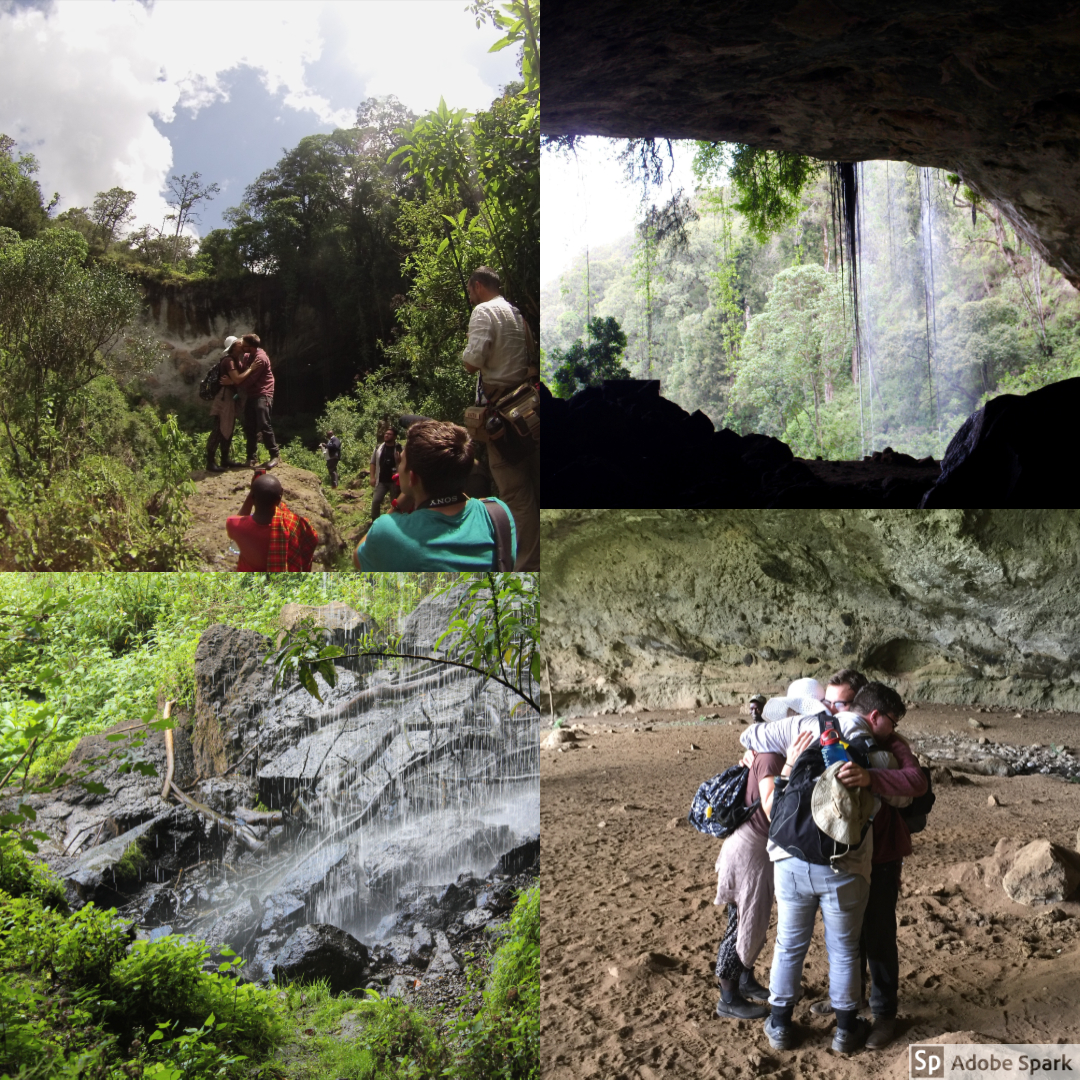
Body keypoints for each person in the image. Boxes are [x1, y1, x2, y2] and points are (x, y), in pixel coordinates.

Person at [749, 682, 924, 1054]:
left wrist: (785, 766)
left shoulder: (808, 731)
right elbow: (909, 790)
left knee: (790, 945)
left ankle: (780, 1025)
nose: (830, 707)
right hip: (844, 865)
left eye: (837, 702)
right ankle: (846, 1029)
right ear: (873, 715)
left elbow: (752, 738)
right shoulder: (879, 754)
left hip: (791, 857)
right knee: (845, 949)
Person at [712, 736, 804, 1020]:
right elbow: (770, 806)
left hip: (755, 848)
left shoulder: (768, 756)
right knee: (741, 924)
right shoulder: (771, 759)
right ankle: (728, 997)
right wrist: (788, 765)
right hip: (750, 850)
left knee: (754, 919)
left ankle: (744, 980)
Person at [354, 419, 515, 571]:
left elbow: (358, 558)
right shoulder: (498, 514)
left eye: (401, 461)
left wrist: (399, 503)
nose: (399, 466)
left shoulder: (387, 531)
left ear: (412, 478)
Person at [462, 266, 538, 571]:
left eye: (469, 292)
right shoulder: (517, 314)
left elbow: (471, 363)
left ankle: (527, 569)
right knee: (536, 484)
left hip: (503, 418)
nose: (469, 298)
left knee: (516, 494)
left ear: (479, 287)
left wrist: (465, 349)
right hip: (531, 411)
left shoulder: (483, 312)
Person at [226, 471, 318, 572]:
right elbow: (312, 538)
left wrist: (252, 491)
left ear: (253, 497)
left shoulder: (234, 526)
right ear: (279, 498)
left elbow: (239, 519)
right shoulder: (292, 523)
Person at [228, 333, 280, 469]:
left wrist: (234, 382)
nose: (241, 347)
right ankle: (251, 457)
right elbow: (244, 371)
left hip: (263, 393)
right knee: (249, 425)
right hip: (252, 394)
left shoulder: (260, 359)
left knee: (264, 423)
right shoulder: (247, 356)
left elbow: (249, 380)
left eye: (243, 346)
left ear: (250, 347)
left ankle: (275, 455)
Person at [205, 336, 247, 472]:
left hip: (229, 397)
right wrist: (252, 369)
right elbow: (237, 379)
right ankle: (210, 462)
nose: (242, 345)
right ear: (234, 346)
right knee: (219, 429)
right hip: (224, 398)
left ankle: (224, 459)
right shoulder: (229, 361)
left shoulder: (235, 360)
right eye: (239, 344)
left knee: (228, 427)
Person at [369, 426, 401, 519]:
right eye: (386, 434)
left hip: (394, 481)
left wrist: (400, 460)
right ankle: (375, 521)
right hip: (381, 480)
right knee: (376, 501)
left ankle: (395, 520)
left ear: (394, 437)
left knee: (395, 502)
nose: (386, 435)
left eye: (389, 434)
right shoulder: (379, 448)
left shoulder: (399, 448)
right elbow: (373, 462)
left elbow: (404, 463)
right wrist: (372, 477)